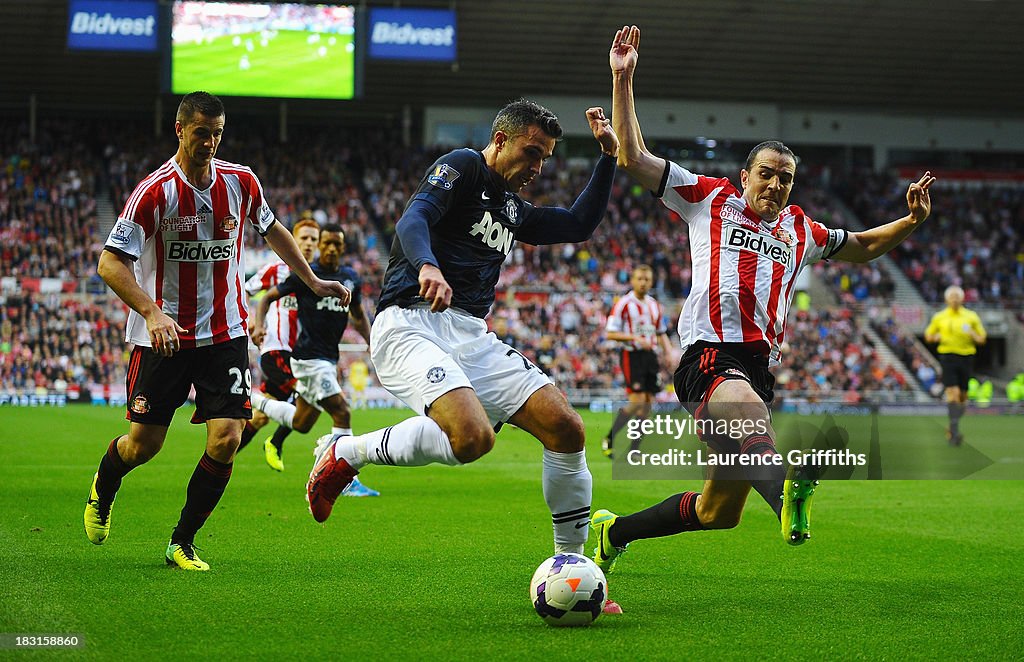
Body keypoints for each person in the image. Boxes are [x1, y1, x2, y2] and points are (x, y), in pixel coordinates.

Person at [591, 26, 936, 575]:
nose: (775, 186)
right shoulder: (710, 198)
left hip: (754, 366)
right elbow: (633, 157)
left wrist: (912, 221)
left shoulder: (802, 231)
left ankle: (615, 531)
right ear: (745, 176)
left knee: (715, 511)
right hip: (709, 355)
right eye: (767, 175)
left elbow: (866, 246)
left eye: (786, 179)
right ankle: (789, 497)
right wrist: (623, 76)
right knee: (750, 416)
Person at [305, 99, 619, 564]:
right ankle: (348, 451)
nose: (538, 166)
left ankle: (569, 564)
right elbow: (413, 219)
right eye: (532, 152)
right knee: (473, 439)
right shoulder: (464, 167)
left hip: (470, 333)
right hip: (409, 321)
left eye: (545, 158)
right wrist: (428, 266)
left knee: (567, 428)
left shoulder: (513, 208)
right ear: (500, 140)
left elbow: (578, 224)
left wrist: (608, 157)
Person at [83, 91, 350, 571]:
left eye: (218, 133)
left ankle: (181, 541)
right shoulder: (153, 192)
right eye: (201, 132)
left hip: (225, 332)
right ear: (180, 130)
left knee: (227, 437)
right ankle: (104, 486)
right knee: (143, 445)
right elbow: (110, 262)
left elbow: (272, 230)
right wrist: (151, 311)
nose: (210, 142)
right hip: (164, 336)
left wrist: (311, 280)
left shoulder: (241, 181)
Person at [250, 225, 379, 496]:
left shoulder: (350, 277)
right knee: (342, 412)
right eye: (327, 243)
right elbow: (266, 299)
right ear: (321, 245)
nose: (331, 248)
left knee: (302, 422)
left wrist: (371, 341)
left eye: (337, 244)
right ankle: (343, 481)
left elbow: (357, 314)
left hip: (327, 358)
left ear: (344, 248)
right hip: (309, 358)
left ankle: (256, 400)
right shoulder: (307, 276)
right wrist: (259, 324)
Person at [238, 218, 320, 471]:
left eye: (313, 240)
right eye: (303, 238)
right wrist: (254, 321)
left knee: (261, 417)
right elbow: (245, 290)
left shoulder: (318, 277)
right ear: (293, 240)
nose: (308, 244)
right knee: (310, 398)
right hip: (275, 350)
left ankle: (223, 454)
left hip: (300, 355)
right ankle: (275, 442)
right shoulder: (277, 269)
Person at [601, 264, 673, 459]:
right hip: (632, 355)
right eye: (639, 279)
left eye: (647, 279)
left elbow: (661, 333)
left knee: (648, 404)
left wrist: (669, 353)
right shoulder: (624, 303)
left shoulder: (655, 306)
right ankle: (610, 438)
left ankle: (634, 449)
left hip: (650, 357)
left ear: (651, 282)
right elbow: (610, 333)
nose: (643, 283)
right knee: (637, 401)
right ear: (632, 281)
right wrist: (635, 339)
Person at [924, 285, 986, 445]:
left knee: (963, 398)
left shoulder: (971, 317)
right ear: (946, 299)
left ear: (962, 298)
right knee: (953, 392)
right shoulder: (940, 317)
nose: (954, 299)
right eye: (951, 296)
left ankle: (952, 425)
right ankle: (954, 430)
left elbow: (982, 338)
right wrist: (935, 337)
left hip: (966, 357)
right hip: (948, 357)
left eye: (957, 296)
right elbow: (928, 335)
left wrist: (973, 334)